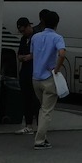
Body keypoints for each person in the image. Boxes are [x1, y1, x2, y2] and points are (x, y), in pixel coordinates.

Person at [30, 10, 66, 150]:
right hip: (49, 79)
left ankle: (43, 138)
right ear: (57, 23)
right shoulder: (57, 38)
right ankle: (39, 141)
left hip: (35, 78)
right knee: (46, 111)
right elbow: (62, 53)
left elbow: (32, 54)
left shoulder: (35, 37)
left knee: (42, 108)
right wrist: (57, 69)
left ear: (43, 22)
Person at [15, 16, 38, 135]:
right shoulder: (24, 39)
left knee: (36, 100)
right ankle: (28, 125)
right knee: (26, 99)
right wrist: (22, 57)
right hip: (25, 71)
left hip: (35, 71)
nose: (23, 33)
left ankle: (39, 126)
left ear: (29, 26)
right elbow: (19, 54)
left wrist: (30, 56)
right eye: (21, 31)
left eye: (24, 30)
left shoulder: (37, 37)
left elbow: (40, 53)